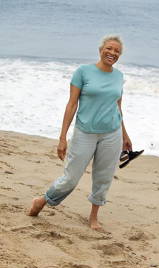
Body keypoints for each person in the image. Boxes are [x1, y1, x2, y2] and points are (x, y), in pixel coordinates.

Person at [28, 35, 132, 230]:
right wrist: (62, 137)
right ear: (101, 49)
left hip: (112, 133)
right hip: (85, 132)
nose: (112, 53)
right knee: (70, 177)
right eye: (109, 48)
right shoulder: (83, 72)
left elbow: (118, 106)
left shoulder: (119, 77)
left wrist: (125, 135)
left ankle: (93, 217)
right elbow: (72, 104)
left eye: (117, 51)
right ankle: (42, 200)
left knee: (103, 177)